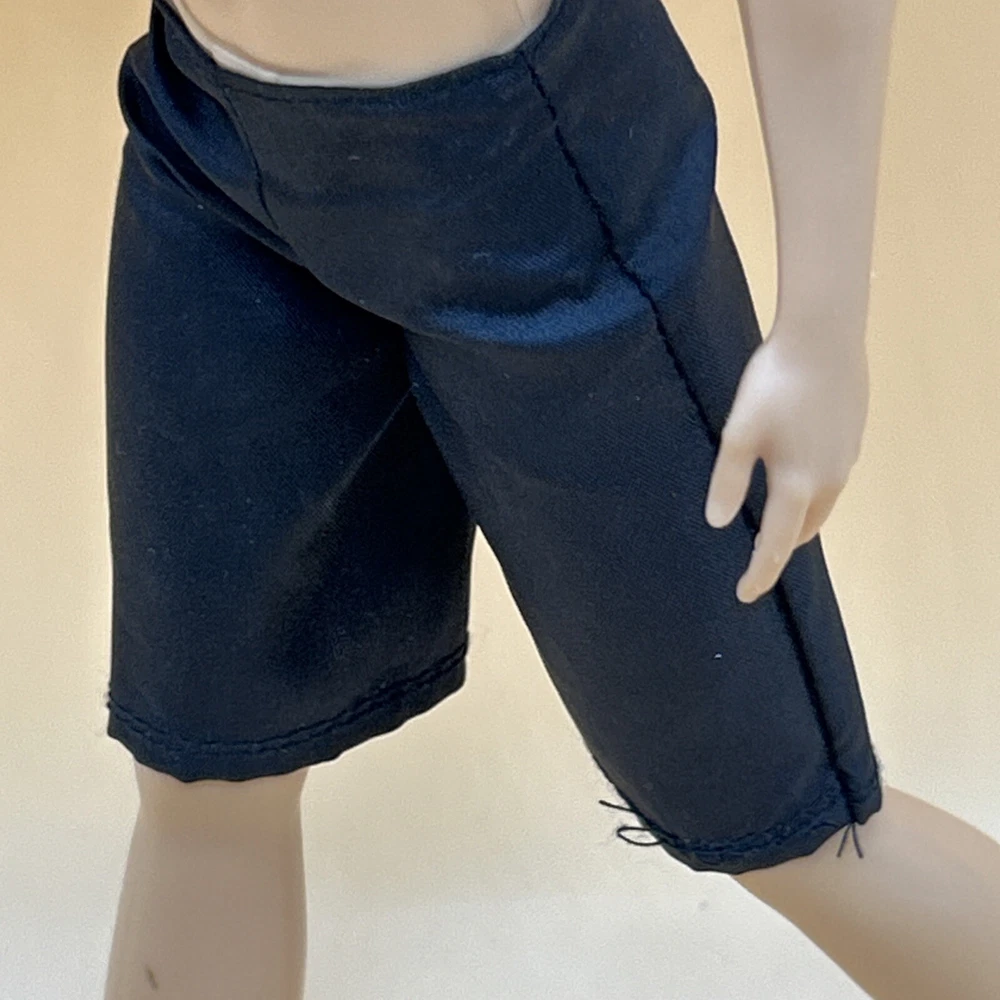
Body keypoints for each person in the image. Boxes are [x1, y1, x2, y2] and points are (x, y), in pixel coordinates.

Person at [99, 0, 1000, 997]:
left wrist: (822, 325)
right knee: (205, 768)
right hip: (211, 142)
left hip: (533, 172)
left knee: (792, 811)